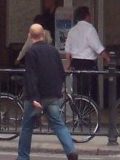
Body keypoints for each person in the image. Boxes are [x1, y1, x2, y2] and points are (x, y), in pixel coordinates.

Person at [16, 23, 79, 160]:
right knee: (58, 124)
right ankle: (70, 150)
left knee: (27, 126)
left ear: (29, 35)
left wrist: (34, 97)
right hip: (53, 95)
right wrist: (58, 90)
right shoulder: (53, 50)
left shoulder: (31, 52)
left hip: (37, 96)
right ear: (43, 35)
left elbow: (31, 76)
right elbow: (61, 72)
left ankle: (23, 157)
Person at [63, 6, 109, 104]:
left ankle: (79, 109)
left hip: (75, 63)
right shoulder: (90, 29)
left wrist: (67, 64)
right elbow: (98, 47)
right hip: (88, 63)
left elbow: (68, 49)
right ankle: (89, 109)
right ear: (87, 16)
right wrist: (108, 58)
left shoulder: (72, 30)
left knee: (77, 90)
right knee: (89, 91)